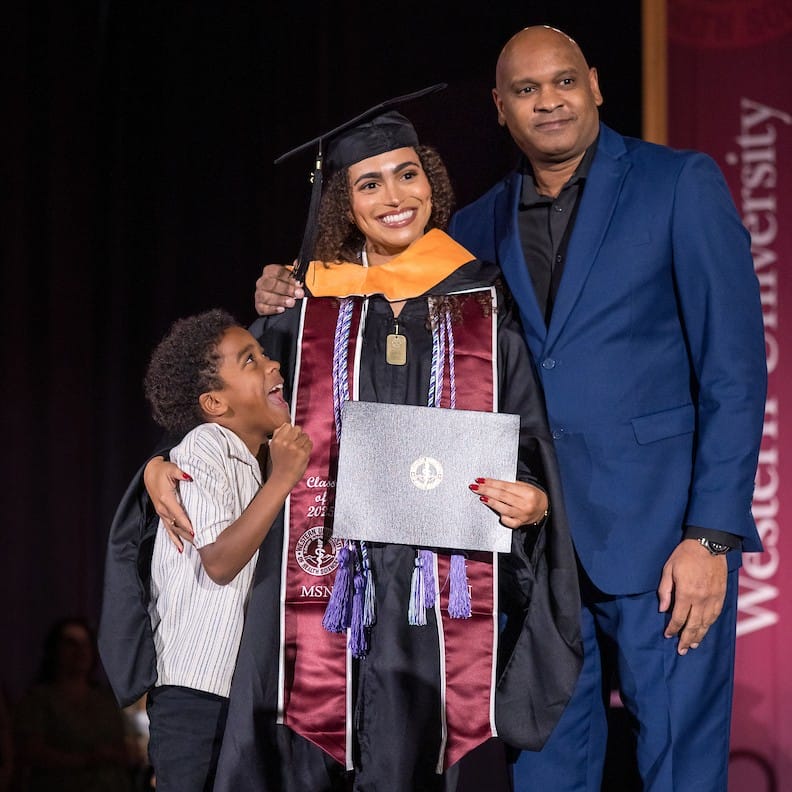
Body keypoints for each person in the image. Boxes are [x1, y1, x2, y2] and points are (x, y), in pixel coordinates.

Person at [252, 27, 768, 792]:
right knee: (547, 768)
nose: (547, 101)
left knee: (680, 770)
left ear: (595, 84)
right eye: (526, 91)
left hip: (659, 540)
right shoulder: (473, 230)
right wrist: (283, 291)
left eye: (563, 82)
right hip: (523, 551)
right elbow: (384, 297)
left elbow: (733, 367)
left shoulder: (678, 184)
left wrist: (711, 538)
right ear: (501, 108)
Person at [145, 100, 582, 790]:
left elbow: (525, 439)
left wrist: (533, 502)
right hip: (317, 574)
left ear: (431, 182)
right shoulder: (305, 307)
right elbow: (227, 414)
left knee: (414, 752)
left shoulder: (483, 303)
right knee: (298, 753)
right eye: (369, 183)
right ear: (343, 203)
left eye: (407, 175)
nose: (394, 196)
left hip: (432, 590)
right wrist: (160, 463)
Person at [101, 308, 312, 792]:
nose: (273, 365)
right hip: (194, 694)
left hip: (233, 692)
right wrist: (282, 479)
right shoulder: (203, 445)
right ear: (215, 402)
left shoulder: (251, 459)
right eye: (251, 360)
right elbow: (217, 560)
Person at [13, 618, 133, 792]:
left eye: (85, 644)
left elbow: (122, 747)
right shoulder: (39, 699)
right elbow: (31, 751)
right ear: (54, 650)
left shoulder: (106, 700)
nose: (80, 651)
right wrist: (86, 759)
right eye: (71, 644)